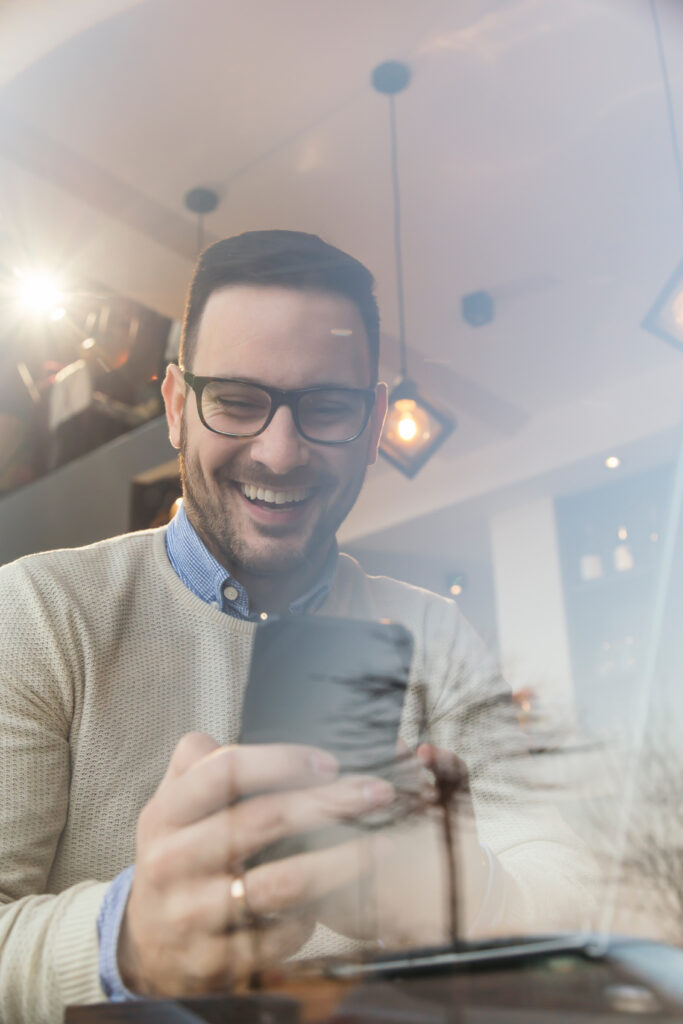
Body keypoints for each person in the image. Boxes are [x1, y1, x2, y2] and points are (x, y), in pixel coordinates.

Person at [0, 231, 592, 1023]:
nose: (279, 454)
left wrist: (467, 893)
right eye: (237, 401)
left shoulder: (437, 635)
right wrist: (128, 940)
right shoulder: (37, 614)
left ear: (374, 421)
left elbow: (567, 883)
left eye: (329, 408)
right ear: (177, 407)